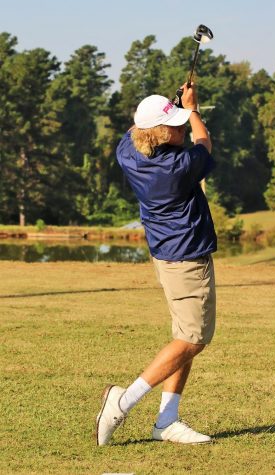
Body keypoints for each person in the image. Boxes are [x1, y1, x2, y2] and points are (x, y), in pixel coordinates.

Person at [96, 82, 217, 445]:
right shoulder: (178, 166)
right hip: (187, 260)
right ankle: (123, 401)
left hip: (167, 255)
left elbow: (137, 128)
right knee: (194, 339)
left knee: (184, 336)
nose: (181, 127)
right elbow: (205, 146)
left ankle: (166, 420)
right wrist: (192, 108)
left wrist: (171, 106)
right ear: (161, 134)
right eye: (175, 124)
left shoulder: (127, 151)